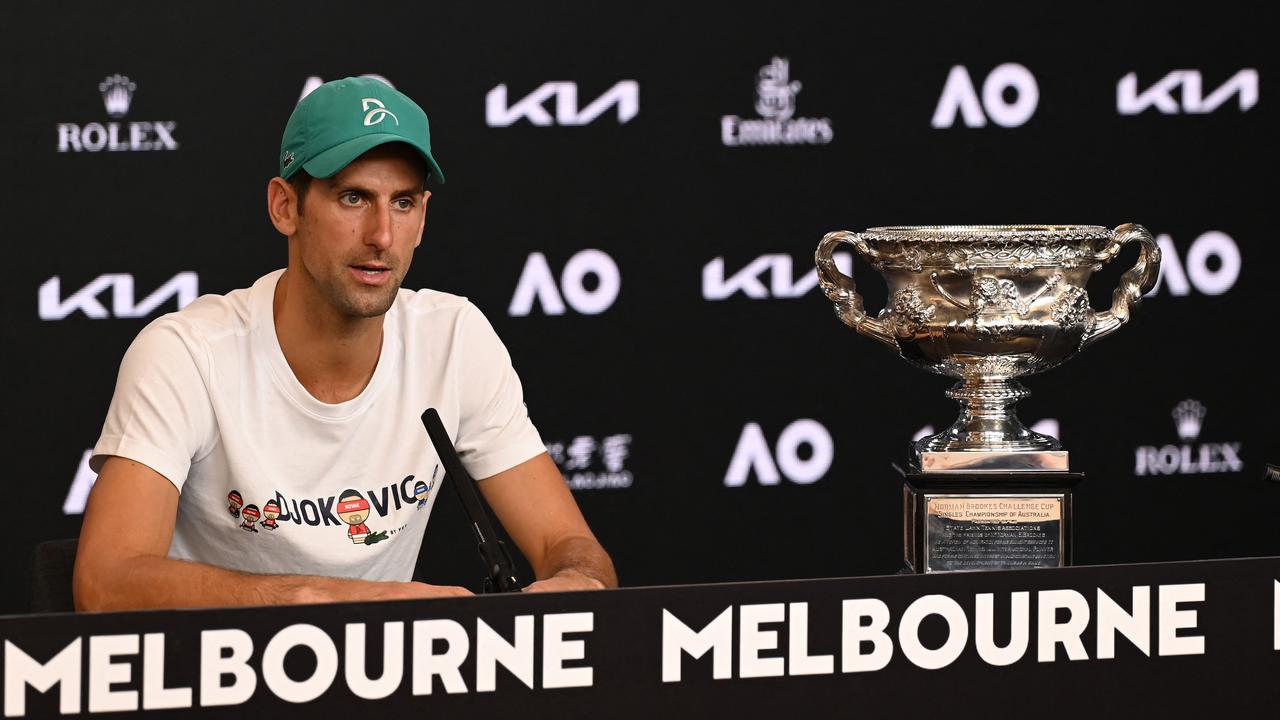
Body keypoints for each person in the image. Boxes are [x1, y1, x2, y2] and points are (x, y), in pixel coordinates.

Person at [73, 77, 616, 610]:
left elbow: (566, 546)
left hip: (379, 691)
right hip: (212, 681)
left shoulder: (455, 339)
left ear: (423, 216)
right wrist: (322, 599)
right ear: (286, 206)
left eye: (402, 203)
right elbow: (106, 583)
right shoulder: (186, 353)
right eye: (353, 198)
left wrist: (579, 581)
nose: (381, 235)